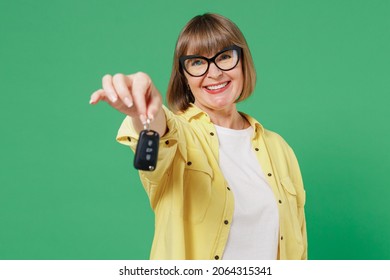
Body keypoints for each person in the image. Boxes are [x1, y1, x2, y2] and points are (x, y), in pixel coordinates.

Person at [90, 13, 307, 260]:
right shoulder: (181, 135)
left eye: (225, 57)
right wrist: (144, 112)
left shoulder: (279, 149)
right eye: (197, 62)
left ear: (243, 62)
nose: (214, 73)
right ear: (184, 75)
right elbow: (162, 133)